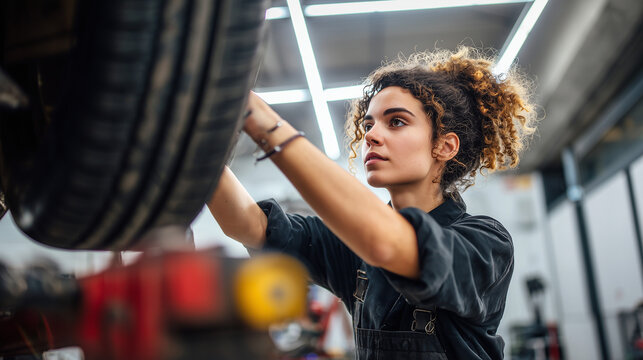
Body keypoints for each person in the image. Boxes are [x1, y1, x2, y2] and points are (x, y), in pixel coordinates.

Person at [207, 46, 536, 359]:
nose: (371, 135)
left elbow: (389, 245)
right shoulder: (354, 248)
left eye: (396, 121)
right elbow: (249, 225)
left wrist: (266, 123)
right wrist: (194, 145)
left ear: (445, 146)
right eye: (368, 124)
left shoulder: (485, 242)